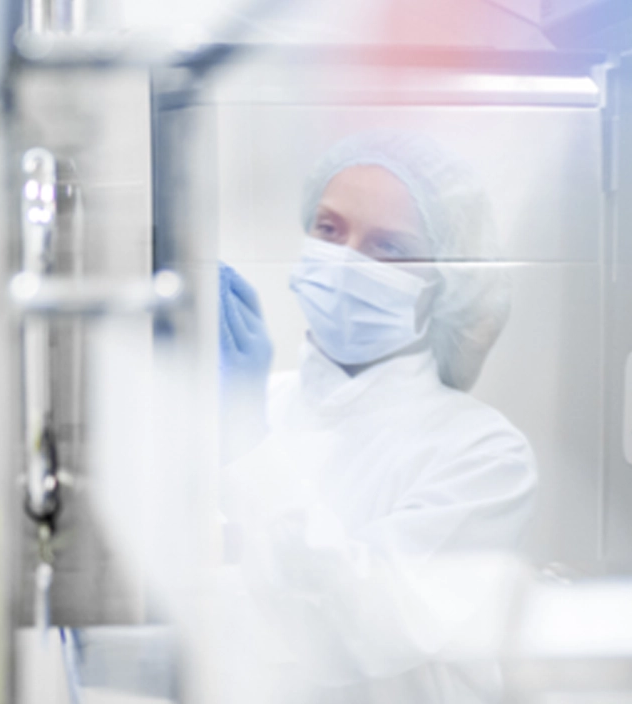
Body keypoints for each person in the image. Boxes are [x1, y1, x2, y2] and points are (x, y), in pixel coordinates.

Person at [218, 131, 538, 703]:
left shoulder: (486, 455)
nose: (343, 262)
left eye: (388, 247)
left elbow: (355, 634)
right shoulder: (259, 406)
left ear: (445, 283)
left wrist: (249, 448)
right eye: (330, 229)